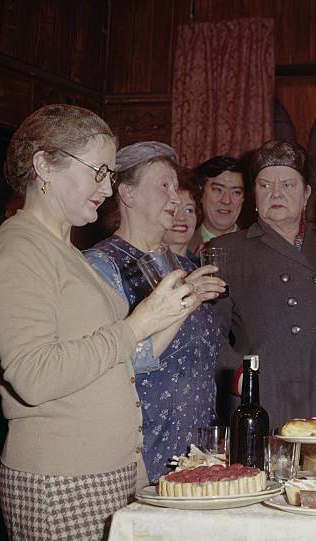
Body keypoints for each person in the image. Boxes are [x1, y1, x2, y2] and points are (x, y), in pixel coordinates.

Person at [0, 105, 207, 541]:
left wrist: (165, 313)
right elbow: (33, 376)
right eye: (98, 170)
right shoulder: (16, 252)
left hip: (111, 469)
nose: (107, 185)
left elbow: (110, 359)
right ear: (44, 167)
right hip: (63, 483)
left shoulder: (64, 251)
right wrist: (138, 322)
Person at [84, 143, 224, 483]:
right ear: (127, 193)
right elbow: (109, 366)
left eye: (176, 187)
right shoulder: (100, 266)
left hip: (196, 449)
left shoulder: (180, 264)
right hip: (139, 453)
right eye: (164, 185)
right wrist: (187, 302)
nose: (175, 197)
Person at [211, 139, 316, 426]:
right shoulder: (227, 251)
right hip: (262, 401)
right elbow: (209, 334)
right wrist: (241, 378)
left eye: (288, 185)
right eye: (265, 185)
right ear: (254, 194)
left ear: (306, 194)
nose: (275, 193)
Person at [187, 155, 245, 254]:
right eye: (218, 190)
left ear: (243, 198)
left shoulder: (257, 249)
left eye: (236, 192)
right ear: (201, 194)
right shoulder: (181, 245)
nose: (226, 201)